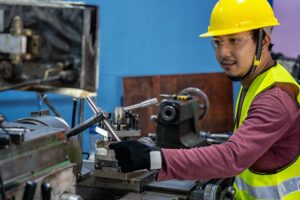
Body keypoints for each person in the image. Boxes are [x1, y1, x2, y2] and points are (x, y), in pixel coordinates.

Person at [109, 0, 300, 199]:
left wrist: (153, 157)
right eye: (218, 42)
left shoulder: (275, 98)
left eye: (235, 40)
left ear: (263, 41)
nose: (223, 53)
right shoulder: (254, 83)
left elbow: (232, 157)